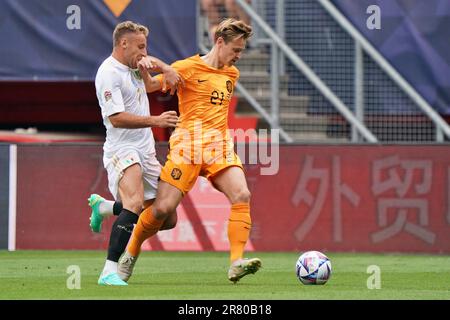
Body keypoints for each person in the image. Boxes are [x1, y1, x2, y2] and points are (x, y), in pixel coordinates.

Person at [117, 18, 261, 285]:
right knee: (162, 210)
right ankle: (131, 251)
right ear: (220, 42)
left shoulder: (232, 74)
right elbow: (150, 86)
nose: (239, 57)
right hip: (187, 147)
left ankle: (236, 262)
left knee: (242, 193)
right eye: (236, 50)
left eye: (241, 51)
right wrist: (152, 67)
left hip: (219, 146)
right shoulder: (187, 67)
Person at [93, 20, 182, 286]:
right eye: (141, 47)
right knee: (134, 203)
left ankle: (106, 207)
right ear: (123, 44)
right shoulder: (108, 73)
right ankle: (109, 271)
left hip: (145, 149)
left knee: (166, 217)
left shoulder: (133, 67)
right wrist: (156, 121)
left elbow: (153, 87)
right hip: (122, 148)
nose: (144, 52)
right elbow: (117, 118)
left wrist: (162, 67)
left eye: (146, 46)